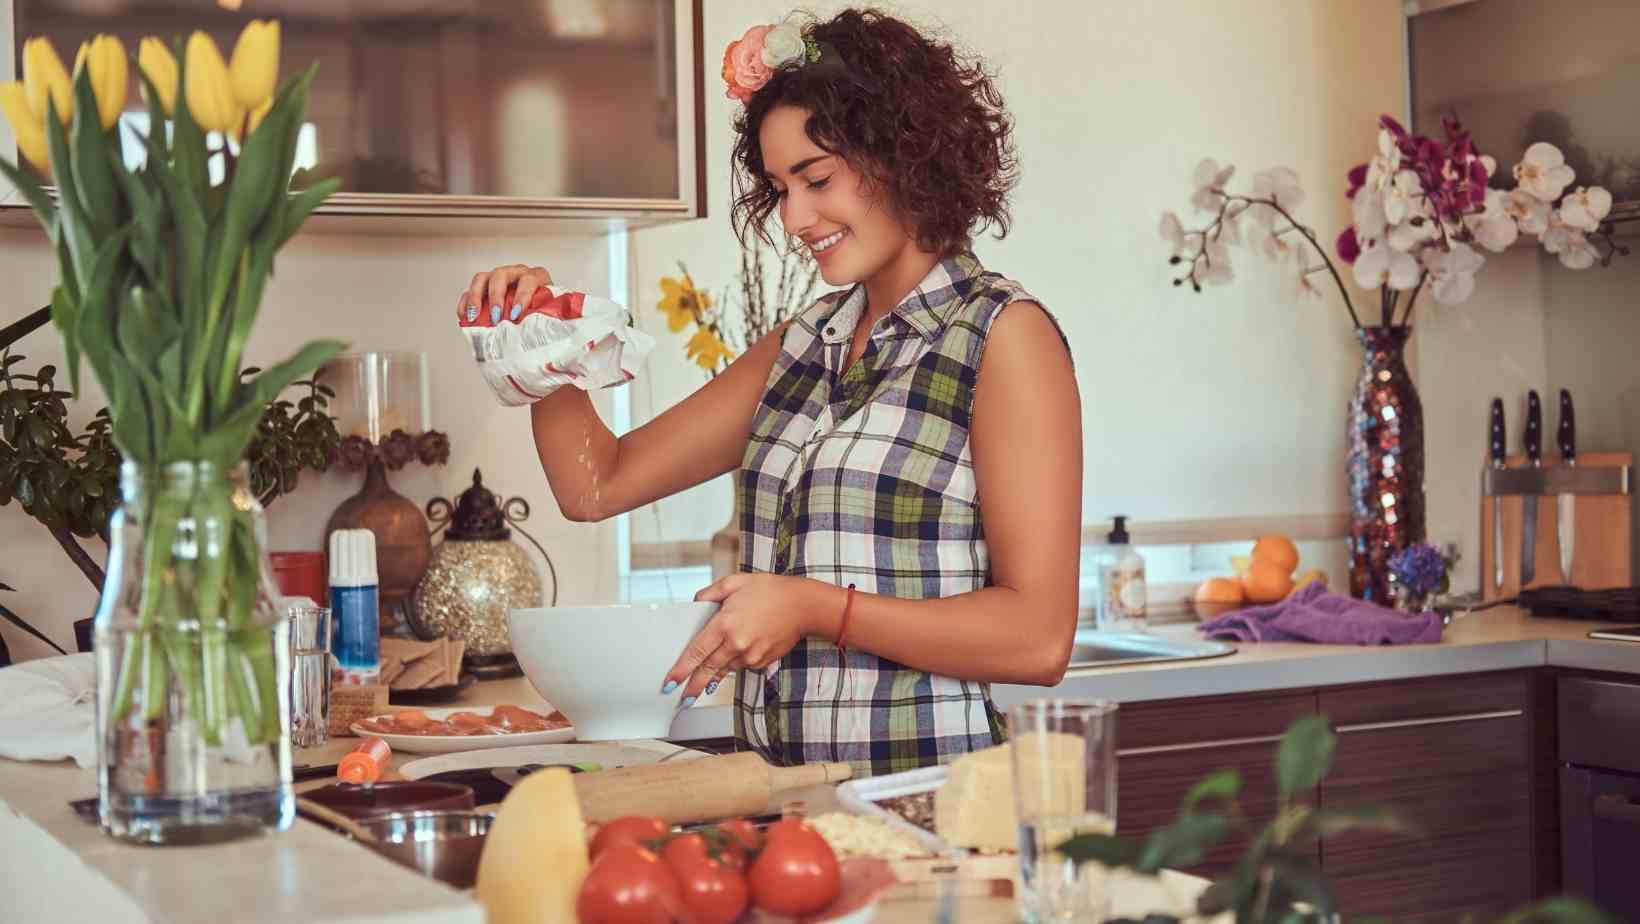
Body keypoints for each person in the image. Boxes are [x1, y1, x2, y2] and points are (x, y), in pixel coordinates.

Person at [455, 9, 1081, 776]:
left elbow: (1038, 638)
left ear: (906, 155)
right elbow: (598, 485)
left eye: (816, 180)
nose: (792, 216)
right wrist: (544, 341)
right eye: (779, 187)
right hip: (786, 806)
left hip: (932, 803)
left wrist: (818, 608)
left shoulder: (1000, 337)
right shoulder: (802, 344)